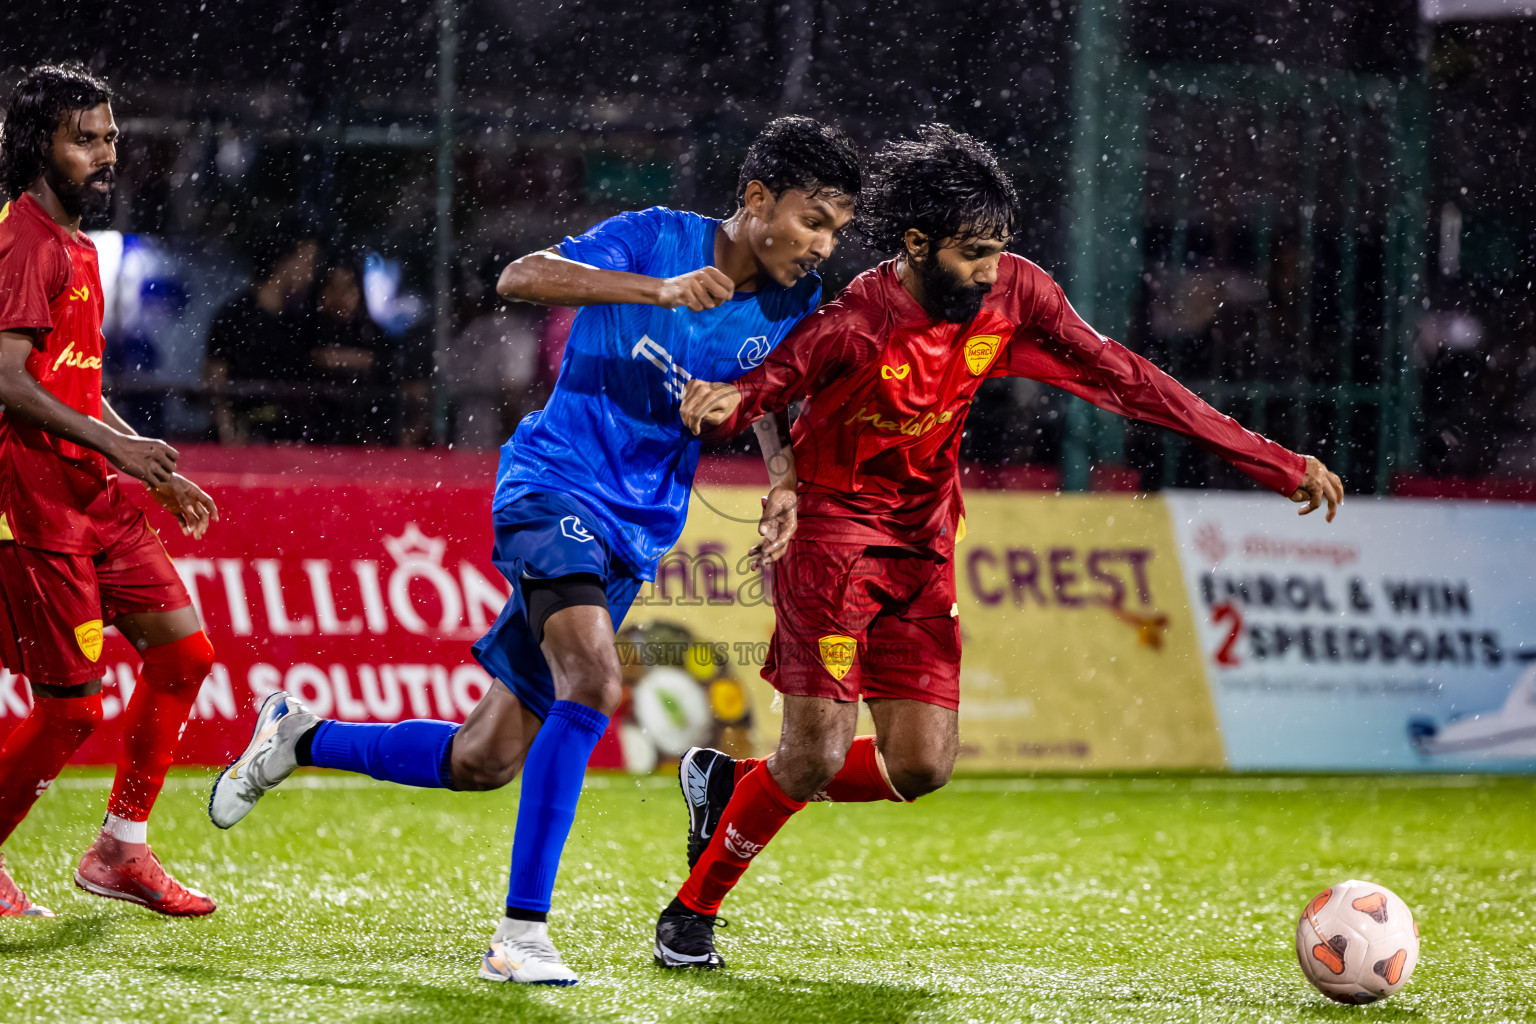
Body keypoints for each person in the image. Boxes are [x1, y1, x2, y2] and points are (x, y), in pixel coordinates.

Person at [660, 124, 1346, 968]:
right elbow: (773, 380)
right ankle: (690, 916)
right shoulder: (857, 321)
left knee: (922, 766)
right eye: (973, 253)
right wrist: (721, 400)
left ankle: (732, 787)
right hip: (833, 539)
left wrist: (1271, 461)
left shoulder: (1016, 293)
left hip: (924, 543)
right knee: (818, 750)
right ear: (916, 245)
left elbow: (1127, 378)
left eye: (998, 251)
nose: (990, 269)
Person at [207, 117, 862, 984]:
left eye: (837, 231)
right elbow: (521, 276)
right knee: (593, 683)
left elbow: (771, 399)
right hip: (552, 487)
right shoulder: (656, 236)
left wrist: (782, 480)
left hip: (637, 529)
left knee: (483, 759)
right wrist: (658, 293)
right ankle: (521, 936)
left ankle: (297, 737)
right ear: (755, 202)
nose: (823, 245)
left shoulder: (794, 307)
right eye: (813, 220)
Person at [0, 63, 221, 918]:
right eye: (84, 138)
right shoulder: (21, 239)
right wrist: (114, 450)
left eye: (111, 136)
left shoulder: (78, 245)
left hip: (99, 495)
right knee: (67, 712)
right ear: (37, 146)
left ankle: (119, 851)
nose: (105, 152)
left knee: (184, 657)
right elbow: (11, 381)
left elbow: (77, 387)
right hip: (38, 504)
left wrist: (146, 462)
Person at [203, 232, 317, 443]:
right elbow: (215, 380)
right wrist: (227, 430)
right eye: (307, 262)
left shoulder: (297, 323)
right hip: (242, 437)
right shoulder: (234, 317)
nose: (309, 275)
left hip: (287, 440)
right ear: (284, 262)